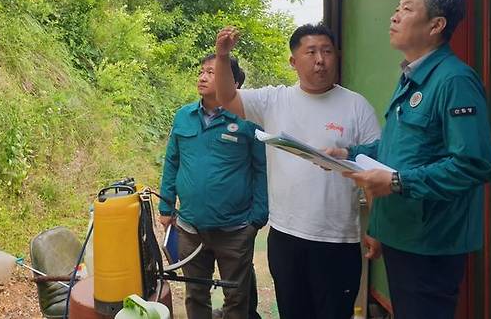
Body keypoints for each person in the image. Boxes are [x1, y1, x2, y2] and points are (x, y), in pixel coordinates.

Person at [330, 0, 491, 319]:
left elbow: (472, 164)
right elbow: (401, 149)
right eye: (396, 8)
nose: (394, 16)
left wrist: (396, 183)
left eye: (406, 9)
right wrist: (351, 154)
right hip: (403, 233)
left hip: (431, 242)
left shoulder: (454, 81)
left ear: (436, 24)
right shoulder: (412, 76)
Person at [215, 23, 381, 319]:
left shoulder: (356, 106)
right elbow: (227, 98)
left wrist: (376, 227)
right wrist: (223, 56)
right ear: (293, 61)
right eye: (312, 52)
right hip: (286, 236)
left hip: (337, 239)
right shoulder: (274, 100)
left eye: (327, 51)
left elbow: (373, 171)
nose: (321, 59)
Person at [158, 53, 268, 319]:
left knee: (236, 295)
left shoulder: (248, 121)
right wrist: (166, 205)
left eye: (212, 72)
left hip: (235, 228)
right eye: (202, 71)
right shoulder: (184, 116)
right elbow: (172, 161)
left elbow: (262, 169)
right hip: (190, 227)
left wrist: (257, 218)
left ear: (232, 82)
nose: (203, 77)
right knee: (196, 293)